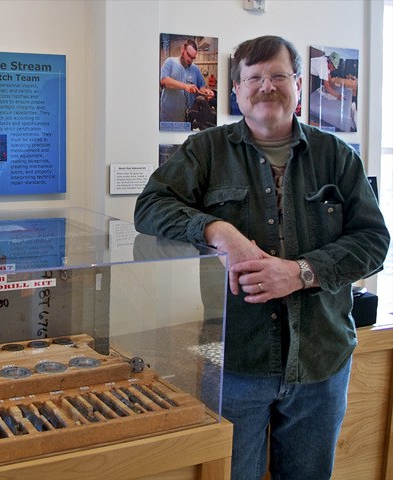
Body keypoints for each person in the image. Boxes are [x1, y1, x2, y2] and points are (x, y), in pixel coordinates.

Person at [135, 35, 389, 480]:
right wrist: (218, 231)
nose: (266, 86)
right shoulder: (205, 151)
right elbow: (150, 207)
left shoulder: (337, 157)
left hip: (321, 361)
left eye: (278, 76)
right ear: (236, 90)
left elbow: (373, 242)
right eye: (253, 77)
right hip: (236, 360)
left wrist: (300, 273)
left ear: (296, 84)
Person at [159, 39, 215, 125]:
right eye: (188, 55)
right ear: (183, 50)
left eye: (193, 58)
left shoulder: (195, 69)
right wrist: (185, 86)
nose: (190, 60)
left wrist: (207, 92)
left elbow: (202, 88)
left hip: (188, 119)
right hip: (169, 117)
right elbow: (164, 81)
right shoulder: (170, 62)